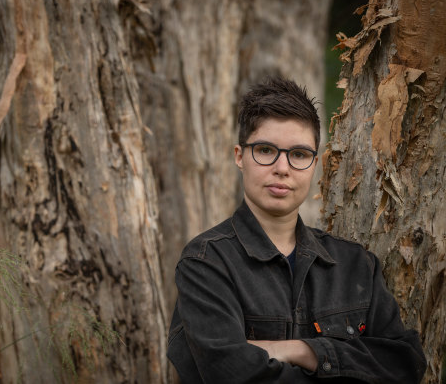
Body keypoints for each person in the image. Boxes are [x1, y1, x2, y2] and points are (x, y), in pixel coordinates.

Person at [166, 77, 426, 383]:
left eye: (299, 154)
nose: (282, 168)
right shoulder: (206, 263)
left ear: (314, 163)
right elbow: (234, 375)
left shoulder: (355, 265)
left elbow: (405, 364)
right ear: (240, 156)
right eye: (265, 150)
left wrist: (301, 350)